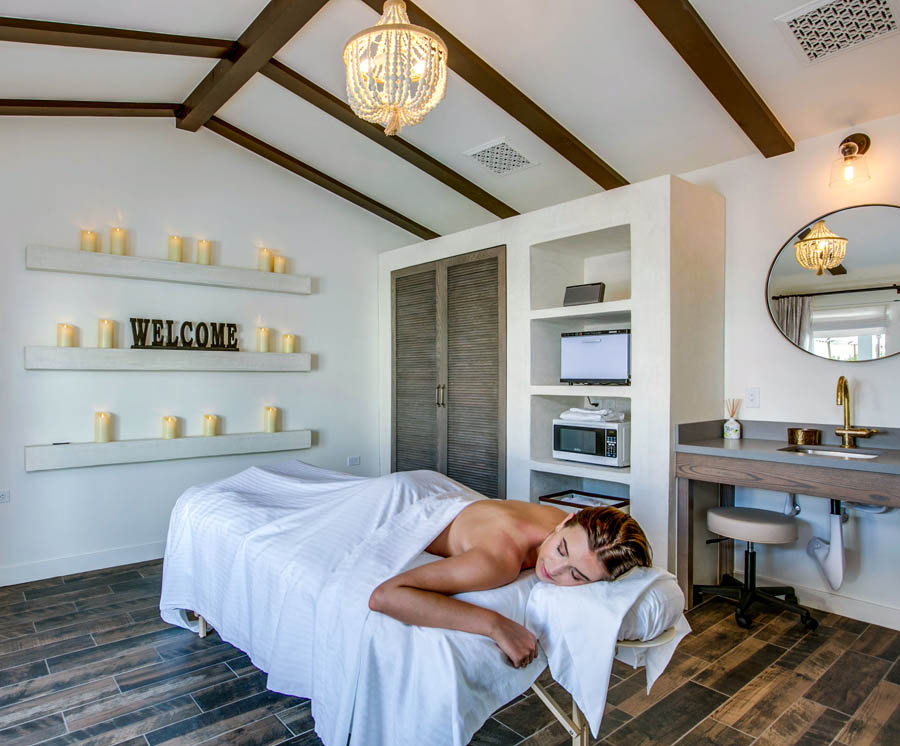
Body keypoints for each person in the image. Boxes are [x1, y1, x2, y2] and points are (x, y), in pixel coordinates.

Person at [369, 501, 652, 668]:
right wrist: (495, 624)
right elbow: (385, 595)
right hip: (395, 506)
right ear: (566, 521)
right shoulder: (498, 561)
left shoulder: (566, 526)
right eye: (561, 550)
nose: (554, 569)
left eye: (576, 576)